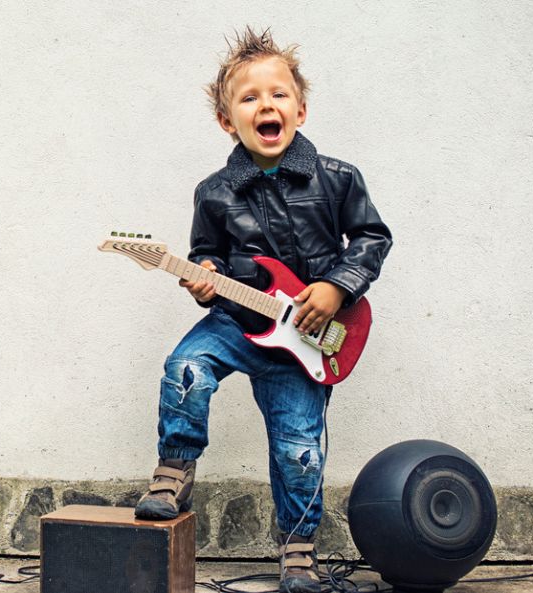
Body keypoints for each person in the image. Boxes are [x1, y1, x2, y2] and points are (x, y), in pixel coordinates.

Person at [132, 28, 392, 593]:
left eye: (277, 94)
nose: (265, 105)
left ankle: (298, 552)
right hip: (235, 323)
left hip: (305, 340)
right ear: (229, 121)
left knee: (298, 449)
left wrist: (336, 288)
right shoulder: (214, 191)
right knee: (186, 366)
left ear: (300, 108)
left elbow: (372, 238)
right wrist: (203, 281)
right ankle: (174, 472)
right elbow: (205, 255)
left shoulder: (338, 177)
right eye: (248, 99)